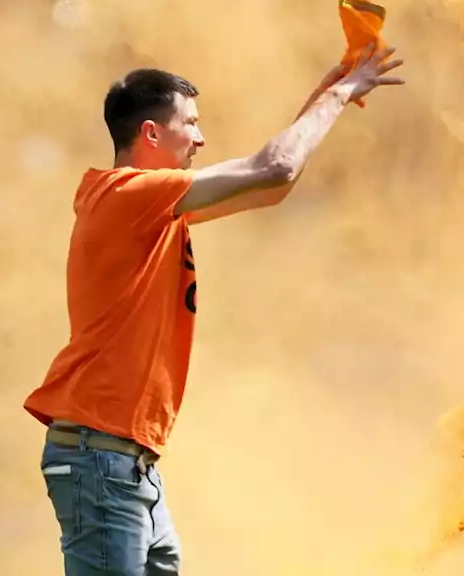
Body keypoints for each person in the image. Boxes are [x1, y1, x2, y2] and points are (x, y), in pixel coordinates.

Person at [23, 43, 405, 575]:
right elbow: (274, 165)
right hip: (102, 457)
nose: (201, 138)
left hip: (125, 463)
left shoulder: (148, 207)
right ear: (152, 133)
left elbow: (273, 185)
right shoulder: (127, 195)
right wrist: (340, 93)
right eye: (191, 124)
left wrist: (325, 94)